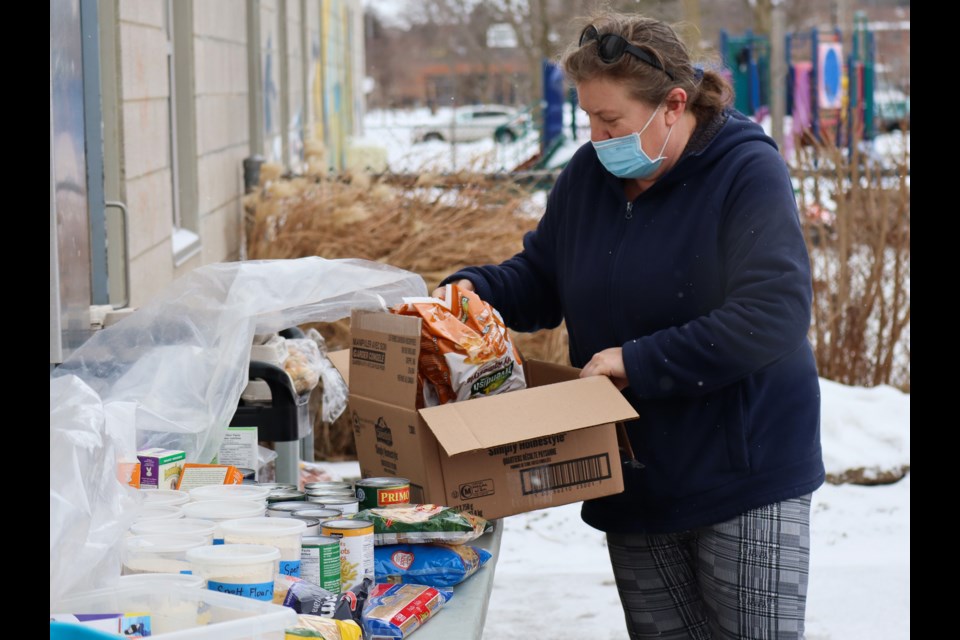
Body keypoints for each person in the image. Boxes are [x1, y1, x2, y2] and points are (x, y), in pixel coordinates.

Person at [432, 11, 825, 640]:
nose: (595, 134)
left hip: (744, 474)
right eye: (587, 117)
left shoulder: (745, 172)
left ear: (673, 104)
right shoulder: (591, 177)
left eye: (610, 120)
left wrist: (636, 360)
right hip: (637, 477)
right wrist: (472, 294)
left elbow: (774, 313)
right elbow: (543, 277)